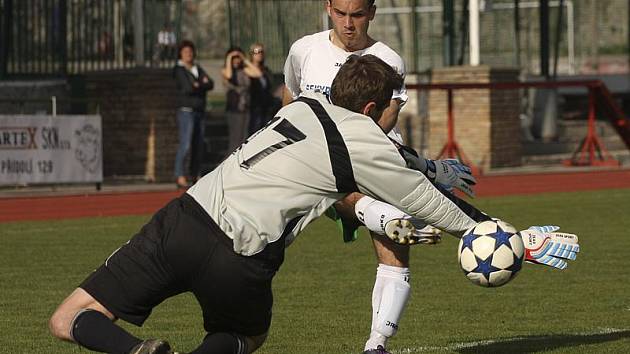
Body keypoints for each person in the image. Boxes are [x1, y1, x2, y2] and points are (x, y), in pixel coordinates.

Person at [48, 55, 579, 354]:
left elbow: (373, 154)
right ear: (373, 106)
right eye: (394, 105)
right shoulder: (363, 140)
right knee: (246, 336)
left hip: (183, 219)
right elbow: (425, 200)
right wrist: (505, 232)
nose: (396, 115)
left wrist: (422, 163)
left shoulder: (304, 107)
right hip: (241, 256)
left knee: (69, 318)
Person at [282, 1, 470, 351]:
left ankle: (377, 343)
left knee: (393, 256)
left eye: (357, 14)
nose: (348, 23)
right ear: (328, 8)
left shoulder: (389, 58)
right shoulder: (304, 50)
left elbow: (387, 121)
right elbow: (290, 97)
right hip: (319, 161)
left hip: (373, 160)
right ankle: (388, 216)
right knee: (324, 187)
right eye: (340, 13)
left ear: (372, 13)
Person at [173, 40, 214, 188]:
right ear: (181, 54)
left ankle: (195, 173)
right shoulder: (179, 69)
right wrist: (199, 84)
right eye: (185, 52)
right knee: (186, 144)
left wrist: (199, 85)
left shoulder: (197, 68)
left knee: (198, 145)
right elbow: (188, 88)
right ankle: (179, 174)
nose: (188, 54)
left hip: (199, 111)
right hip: (186, 112)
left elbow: (210, 83)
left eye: (190, 52)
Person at [221, 46, 262, 152]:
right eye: (234, 58)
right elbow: (229, 76)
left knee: (244, 139)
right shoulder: (225, 70)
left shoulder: (244, 70)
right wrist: (230, 58)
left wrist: (244, 59)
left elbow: (258, 73)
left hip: (246, 107)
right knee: (235, 140)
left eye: (237, 58)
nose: (236, 60)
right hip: (234, 109)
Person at [248, 43, 275, 135]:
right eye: (256, 52)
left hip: (266, 106)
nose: (260, 54)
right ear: (251, 54)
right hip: (254, 106)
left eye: (261, 52)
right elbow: (257, 74)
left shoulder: (266, 70)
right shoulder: (247, 69)